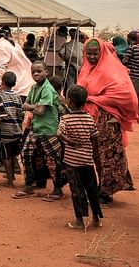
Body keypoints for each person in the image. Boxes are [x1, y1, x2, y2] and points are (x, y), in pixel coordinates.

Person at [78, 38, 138, 205]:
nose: (91, 56)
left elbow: (126, 96)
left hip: (107, 121)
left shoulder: (111, 70)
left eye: (95, 53)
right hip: (91, 120)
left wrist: (92, 99)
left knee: (109, 156)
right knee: (96, 156)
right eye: (88, 53)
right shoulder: (86, 69)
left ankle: (106, 191)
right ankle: (103, 186)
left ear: (102, 52)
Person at [14, 61, 67, 201]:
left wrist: (29, 106)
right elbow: (31, 107)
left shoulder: (47, 89)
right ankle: (29, 184)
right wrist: (33, 107)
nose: (36, 74)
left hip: (49, 129)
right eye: (33, 72)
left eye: (39, 71)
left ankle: (57, 189)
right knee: (26, 153)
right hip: (37, 127)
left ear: (46, 72)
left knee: (53, 159)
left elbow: (40, 110)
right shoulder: (34, 88)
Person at [57, 85, 103, 230]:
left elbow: (58, 134)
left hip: (72, 163)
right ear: (84, 102)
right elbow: (95, 139)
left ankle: (80, 220)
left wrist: (70, 142)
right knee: (92, 190)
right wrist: (96, 158)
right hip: (87, 161)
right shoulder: (89, 118)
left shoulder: (65, 118)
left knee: (77, 191)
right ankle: (96, 218)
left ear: (69, 101)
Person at [0, 25, 34, 99]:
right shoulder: (9, 43)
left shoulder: (1, 46)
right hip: (25, 83)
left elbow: (1, 70)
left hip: (19, 86)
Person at [0, 71, 24, 188]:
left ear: (2, 83)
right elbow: (21, 113)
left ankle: (9, 180)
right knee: (13, 153)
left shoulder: (0, 96)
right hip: (17, 129)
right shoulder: (17, 97)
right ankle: (12, 174)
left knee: (6, 156)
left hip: (5, 130)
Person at [59, 28, 84, 94]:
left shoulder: (66, 45)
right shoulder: (82, 46)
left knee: (70, 84)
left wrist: (65, 58)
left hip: (70, 66)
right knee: (80, 83)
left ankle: (71, 97)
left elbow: (61, 52)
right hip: (81, 67)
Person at [123, 30, 139, 99]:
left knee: (133, 95)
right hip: (138, 75)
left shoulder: (131, 48)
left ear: (129, 38)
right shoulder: (138, 47)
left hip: (132, 76)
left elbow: (125, 61)